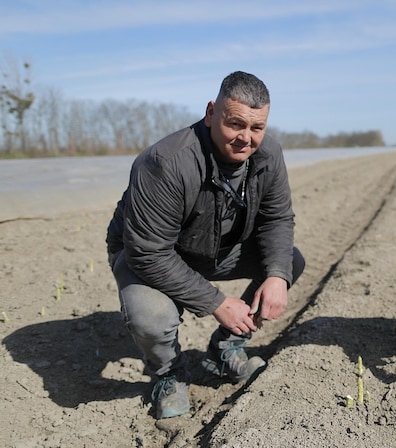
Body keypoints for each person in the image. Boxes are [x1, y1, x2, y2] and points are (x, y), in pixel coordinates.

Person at [106, 71, 305, 420]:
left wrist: (276, 275)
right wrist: (215, 302)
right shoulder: (165, 163)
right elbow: (148, 253)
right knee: (151, 316)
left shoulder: (268, 155)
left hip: (215, 248)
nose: (246, 138)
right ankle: (169, 374)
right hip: (147, 255)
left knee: (288, 261)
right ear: (212, 113)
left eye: (256, 128)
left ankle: (224, 349)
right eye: (235, 124)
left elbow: (277, 219)